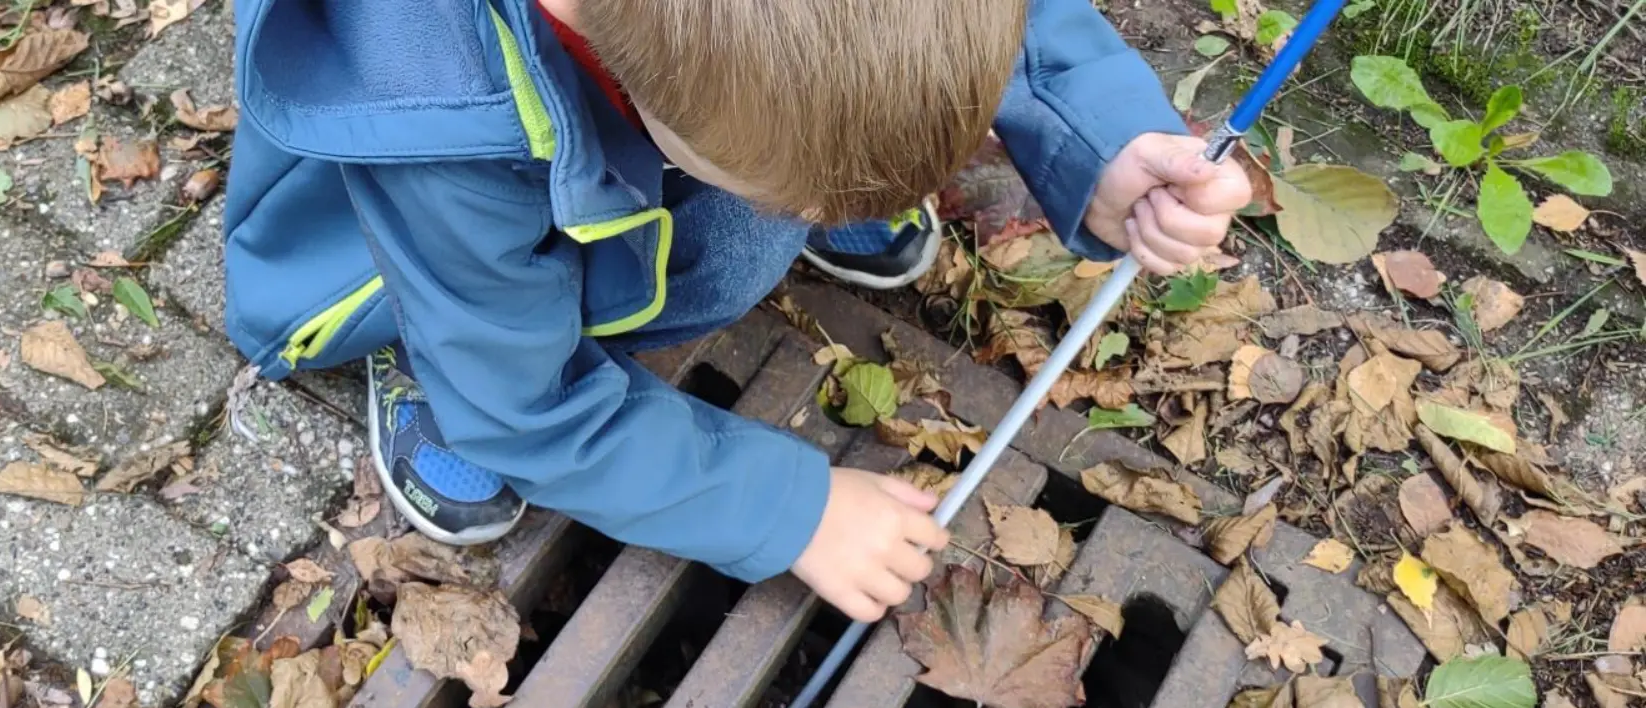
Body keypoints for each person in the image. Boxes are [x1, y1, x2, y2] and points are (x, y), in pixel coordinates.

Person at [223, 0, 1251, 622]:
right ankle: (417, 356)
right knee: (495, 345)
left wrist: (1099, 136)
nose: (828, 214)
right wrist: (784, 510)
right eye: (806, 192)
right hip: (400, 235)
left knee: (749, 229)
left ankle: (793, 155)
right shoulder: (442, 111)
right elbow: (527, 408)